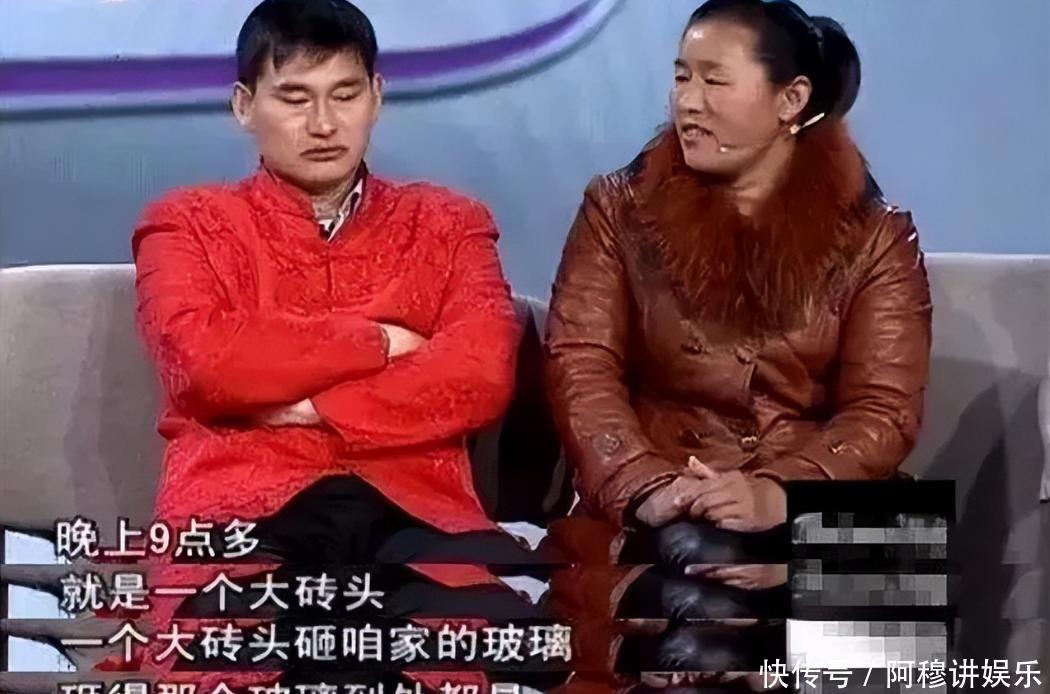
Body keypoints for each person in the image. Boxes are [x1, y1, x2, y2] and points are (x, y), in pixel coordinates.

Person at [125, 0, 540, 690]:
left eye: (345, 95)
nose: (323, 124)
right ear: (243, 105)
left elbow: (479, 374)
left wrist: (307, 406)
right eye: (295, 98)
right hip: (241, 513)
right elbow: (202, 362)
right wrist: (380, 340)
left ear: (377, 96)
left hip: (411, 510)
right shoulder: (186, 223)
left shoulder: (450, 224)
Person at [543, 0, 932, 688]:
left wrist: (780, 493)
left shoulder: (876, 235)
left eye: (714, 81)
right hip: (667, 487)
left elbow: (883, 410)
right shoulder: (618, 210)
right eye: (681, 77)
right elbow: (581, 365)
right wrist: (647, 485)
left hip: (816, 494)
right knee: (703, 612)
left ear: (791, 100)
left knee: (874, 592)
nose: (688, 102)